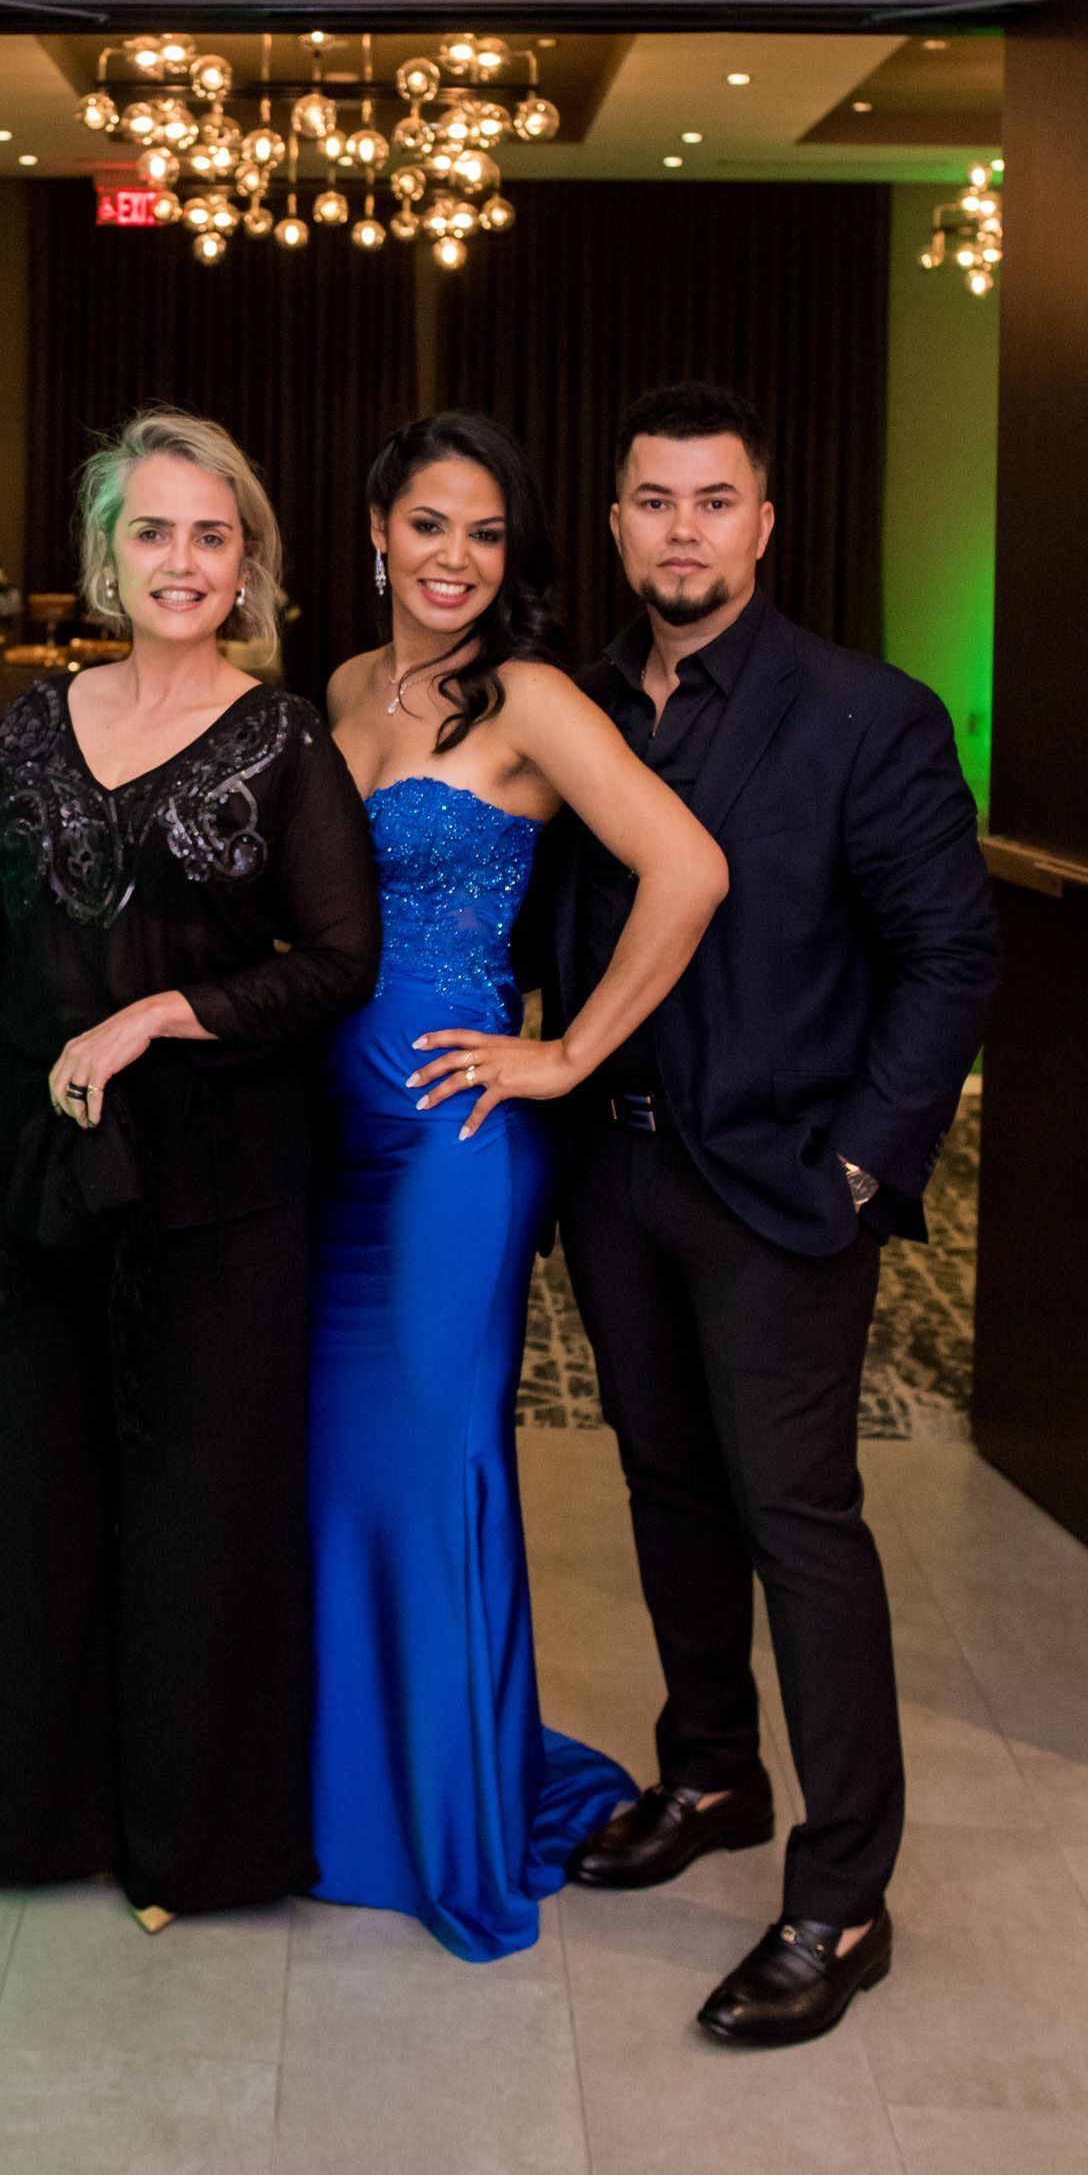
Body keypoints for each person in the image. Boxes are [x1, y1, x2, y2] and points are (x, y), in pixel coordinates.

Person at [539, 380, 998, 2046]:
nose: (682, 530)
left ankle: (842, 1898)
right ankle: (712, 1777)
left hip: (787, 1190)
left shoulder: (866, 716)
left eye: (712, 501)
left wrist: (865, 1171)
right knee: (666, 1491)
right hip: (618, 1171)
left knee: (800, 1525)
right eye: (652, 500)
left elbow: (952, 963)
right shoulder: (578, 699)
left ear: (764, 521)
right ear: (614, 522)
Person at [0, 407, 381, 1930]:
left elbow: (341, 964)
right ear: (107, 555)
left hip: (220, 1179)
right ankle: (3, 1819)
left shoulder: (290, 740)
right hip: (37, 1157)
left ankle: (184, 1842)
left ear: (250, 565)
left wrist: (166, 1014)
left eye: (211, 535)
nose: (182, 561)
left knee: (197, 1507)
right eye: (152, 532)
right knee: (20, 1492)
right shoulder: (39, 722)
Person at [310, 410, 729, 1958]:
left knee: (427, 1474)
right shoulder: (347, 688)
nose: (457, 560)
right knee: (333, 1474)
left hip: (447, 1145)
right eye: (431, 526)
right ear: (376, 530)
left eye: (487, 535)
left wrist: (563, 1056)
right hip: (322, 1140)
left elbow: (688, 871)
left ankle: (440, 1815)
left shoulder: (535, 698)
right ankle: (343, 1787)